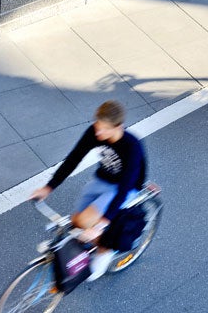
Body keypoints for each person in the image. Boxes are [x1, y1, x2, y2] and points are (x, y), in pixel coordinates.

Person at [30, 100, 146, 281]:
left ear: (118, 127)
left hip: (124, 187)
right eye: (97, 125)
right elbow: (72, 160)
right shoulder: (94, 131)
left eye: (104, 128)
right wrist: (48, 187)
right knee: (76, 221)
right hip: (102, 178)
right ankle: (81, 247)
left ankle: (105, 250)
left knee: (87, 221)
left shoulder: (132, 147)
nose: (98, 132)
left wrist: (101, 225)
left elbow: (124, 189)